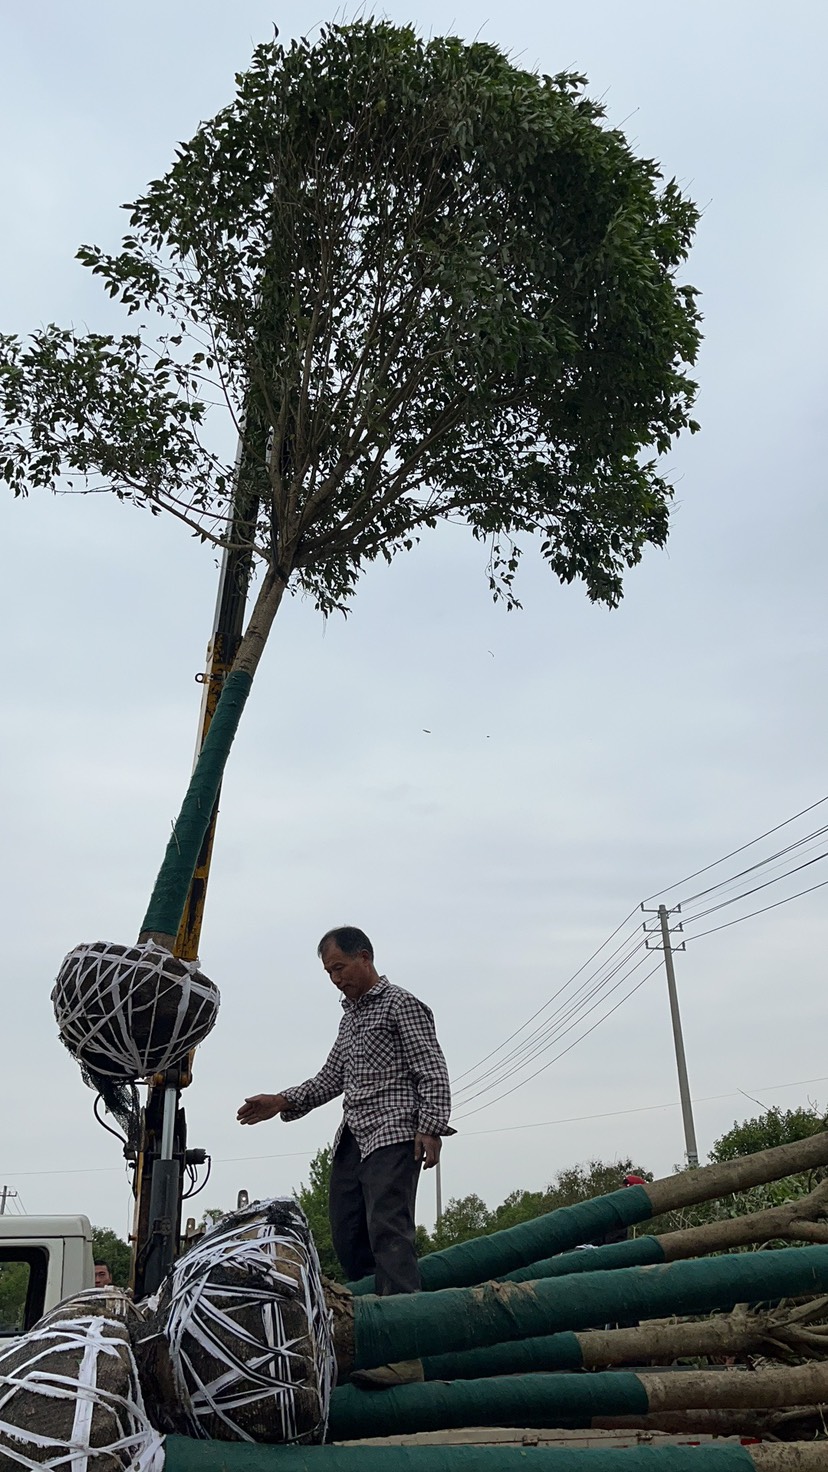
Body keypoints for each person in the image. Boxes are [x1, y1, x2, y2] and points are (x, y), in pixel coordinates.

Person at [237, 926, 454, 1297]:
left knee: (388, 1228)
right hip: (355, 1135)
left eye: (340, 968)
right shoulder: (350, 1018)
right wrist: (280, 1101)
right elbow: (330, 1078)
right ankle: (371, 1312)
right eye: (329, 973)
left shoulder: (401, 1004)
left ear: (364, 958)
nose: (337, 979)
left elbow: (431, 1069)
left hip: (394, 1131)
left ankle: (405, 1330)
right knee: (347, 1231)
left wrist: (431, 1128)